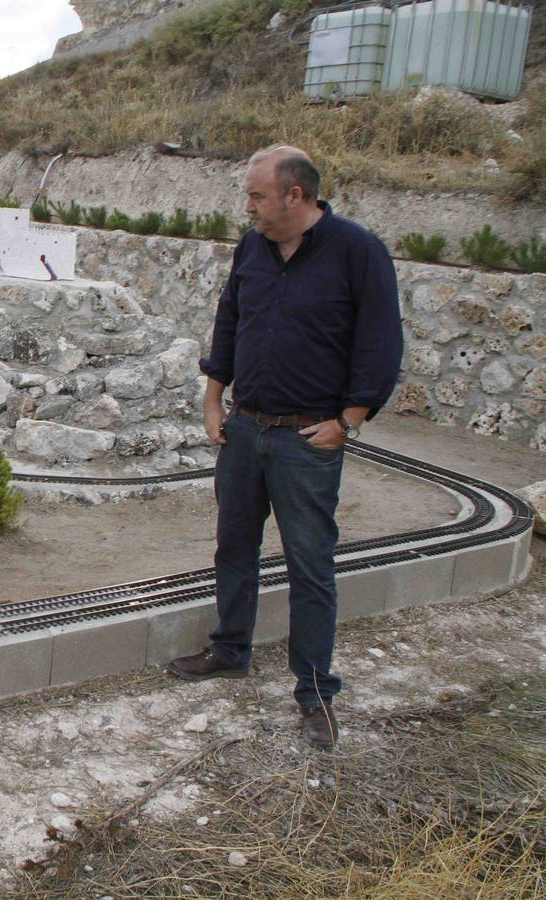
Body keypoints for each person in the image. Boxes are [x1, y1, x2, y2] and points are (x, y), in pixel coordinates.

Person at [168, 145, 403, 749]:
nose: (248, 207)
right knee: (234, 546)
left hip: (308, 438)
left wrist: (347, 422)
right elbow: (230, 321)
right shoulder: (252, 248)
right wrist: (214, 399)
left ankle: (316, 692)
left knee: (311, 566)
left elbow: (380, 344)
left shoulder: (359, 253)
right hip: (245, 428)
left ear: (294, 196)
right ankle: (230, 651)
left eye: (256, 196)